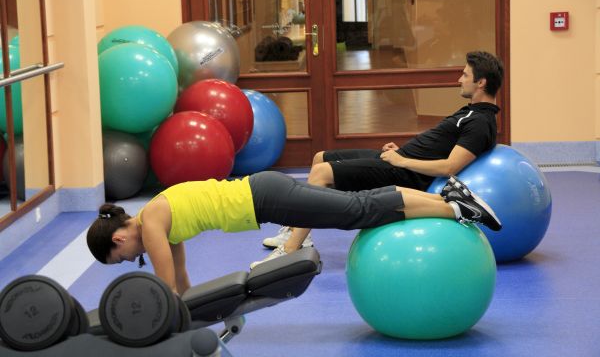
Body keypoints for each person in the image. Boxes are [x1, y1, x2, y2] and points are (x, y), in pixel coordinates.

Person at [254, 51, 504, 267]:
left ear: (481, 82)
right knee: (320, 158)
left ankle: (291, 249)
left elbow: (449, 166)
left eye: (465, 75)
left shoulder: (480, 122)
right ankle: (298, 230)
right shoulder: (472, 112)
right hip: (398, 160)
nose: (459, 79)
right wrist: (401, 152)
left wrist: (401, 161)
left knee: (321, 174)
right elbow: (437, 146)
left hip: (405, 174)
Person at [86, 171, 500, 295]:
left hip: (266, 199)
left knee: (356, 210)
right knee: (358, 204)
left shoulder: (152, 225)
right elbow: (181, 281)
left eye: (122, 258)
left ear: (118, 239)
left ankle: (454, 208)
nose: (130, 260)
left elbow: (165, 289)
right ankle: (448, 200)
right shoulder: (157, 215)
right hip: (265, 193)